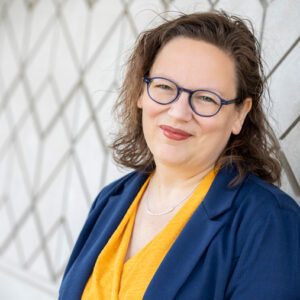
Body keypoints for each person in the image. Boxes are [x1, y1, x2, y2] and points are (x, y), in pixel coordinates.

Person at [58, 11, 300, 300]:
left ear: (239, 114)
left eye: (206, 98)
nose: (178, 112)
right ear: (141, 92)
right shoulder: (110, 201)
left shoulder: (267, 222)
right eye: (164, 87)